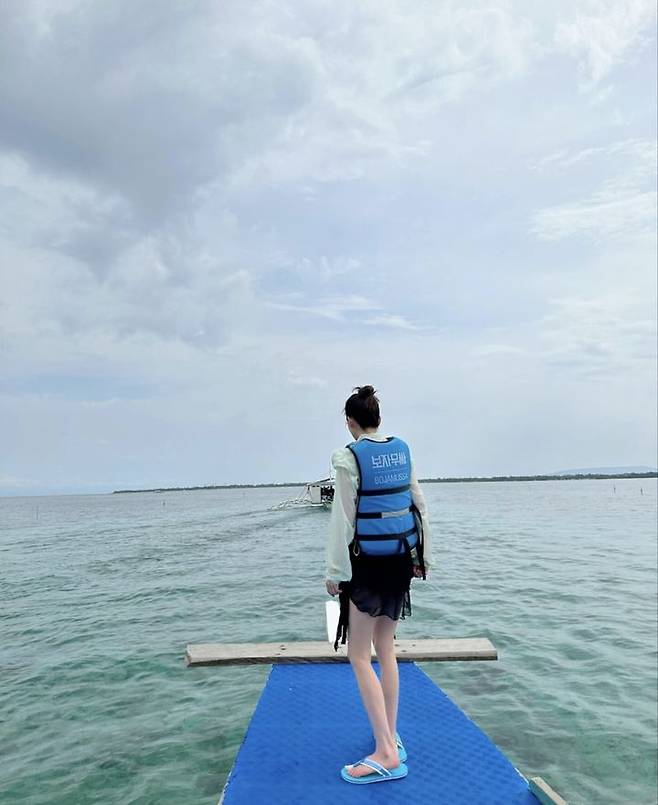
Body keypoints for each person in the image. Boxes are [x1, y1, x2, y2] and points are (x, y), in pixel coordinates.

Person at [325, 385, 432, 784]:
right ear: (379, 419)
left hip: (368, 564)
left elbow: (343, 519)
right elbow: (418, 504)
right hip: (402, 559)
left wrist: (335, 571)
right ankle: (390, 735)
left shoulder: (348, 457)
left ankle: (386, 752)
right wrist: (424, 558)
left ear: (351, 422)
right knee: (385, 647)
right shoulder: (402, 449)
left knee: (357, 655)